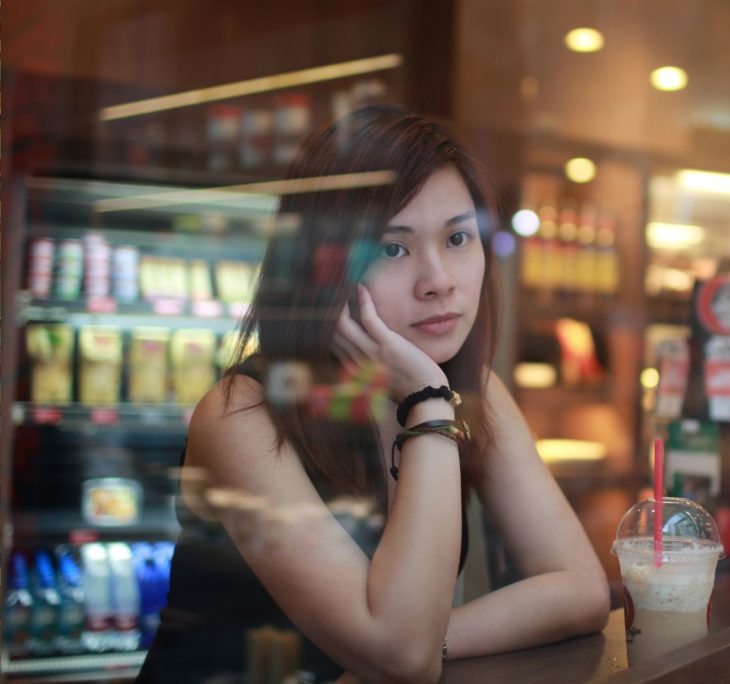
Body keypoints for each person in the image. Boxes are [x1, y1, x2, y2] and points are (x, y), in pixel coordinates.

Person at [138, 105, 609, 683]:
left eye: (458, 237)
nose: (439, 279)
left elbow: (582, 590)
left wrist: (429, 635)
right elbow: (401, 658)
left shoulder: (473, 389)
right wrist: (428, 404)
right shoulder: (243, 414)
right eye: (392, 248)